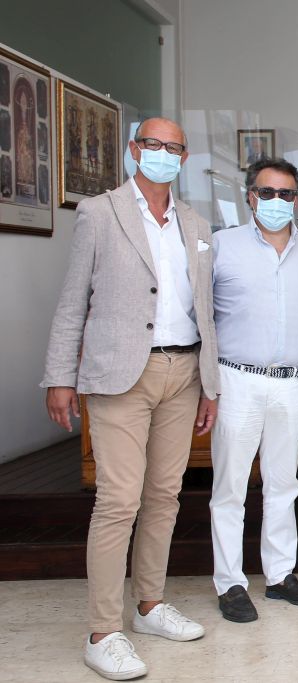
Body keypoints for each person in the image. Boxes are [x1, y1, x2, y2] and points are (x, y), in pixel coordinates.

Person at [42, 117, 219, 681]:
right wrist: (59, 376)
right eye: (152, 144)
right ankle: (102, 632)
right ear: (133, 150)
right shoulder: (100, 212)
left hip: (183, 370)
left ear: (184, 159)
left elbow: (205, 310)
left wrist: (210, 384)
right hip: (120, 373)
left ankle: (149, 604)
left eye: (173, 147)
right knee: (118, 500)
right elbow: (73, 300)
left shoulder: (196, 223)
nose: (162, 153)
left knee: (165, 494)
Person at [209, 158, 298, 622]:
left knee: (283, 483)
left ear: (296, 200)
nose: (276, 201)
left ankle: (280, 575)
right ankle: (230, 584)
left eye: (286, 194)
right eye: (267, 192)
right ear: (250, 196)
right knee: (230, 487)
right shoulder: (222, 247)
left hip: (291, 384)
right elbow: (201, 316)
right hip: (235, 380)